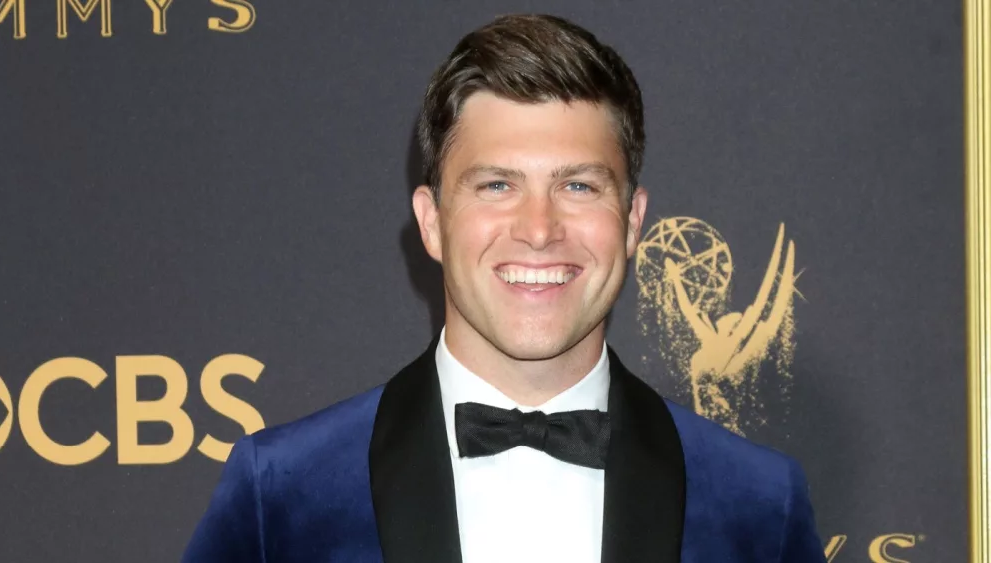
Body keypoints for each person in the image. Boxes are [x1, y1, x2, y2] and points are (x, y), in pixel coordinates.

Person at [183, 13, 827, 563]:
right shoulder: (282, 496)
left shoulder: (759, 506)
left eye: (579, 186)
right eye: (497, 185)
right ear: (432, 222)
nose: (540, 229)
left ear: (632, 222)